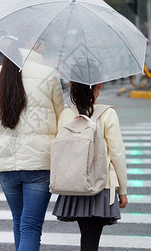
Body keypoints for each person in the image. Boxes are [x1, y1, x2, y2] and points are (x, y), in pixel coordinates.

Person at [0, 51, 64, 251]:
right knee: (30, 227)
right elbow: (61, 118)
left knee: (19, 223)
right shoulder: (48, 73)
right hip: (38, 163)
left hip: (5, 163)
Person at [52, 81, 128, 251]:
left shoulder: (66, 114)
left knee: (87, 236)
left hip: (74, 183)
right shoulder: (107, 114)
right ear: (98, 85)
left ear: (72, 85)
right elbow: (117, 153)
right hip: (100, 185)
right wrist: (122, 190)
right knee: (91, 239)